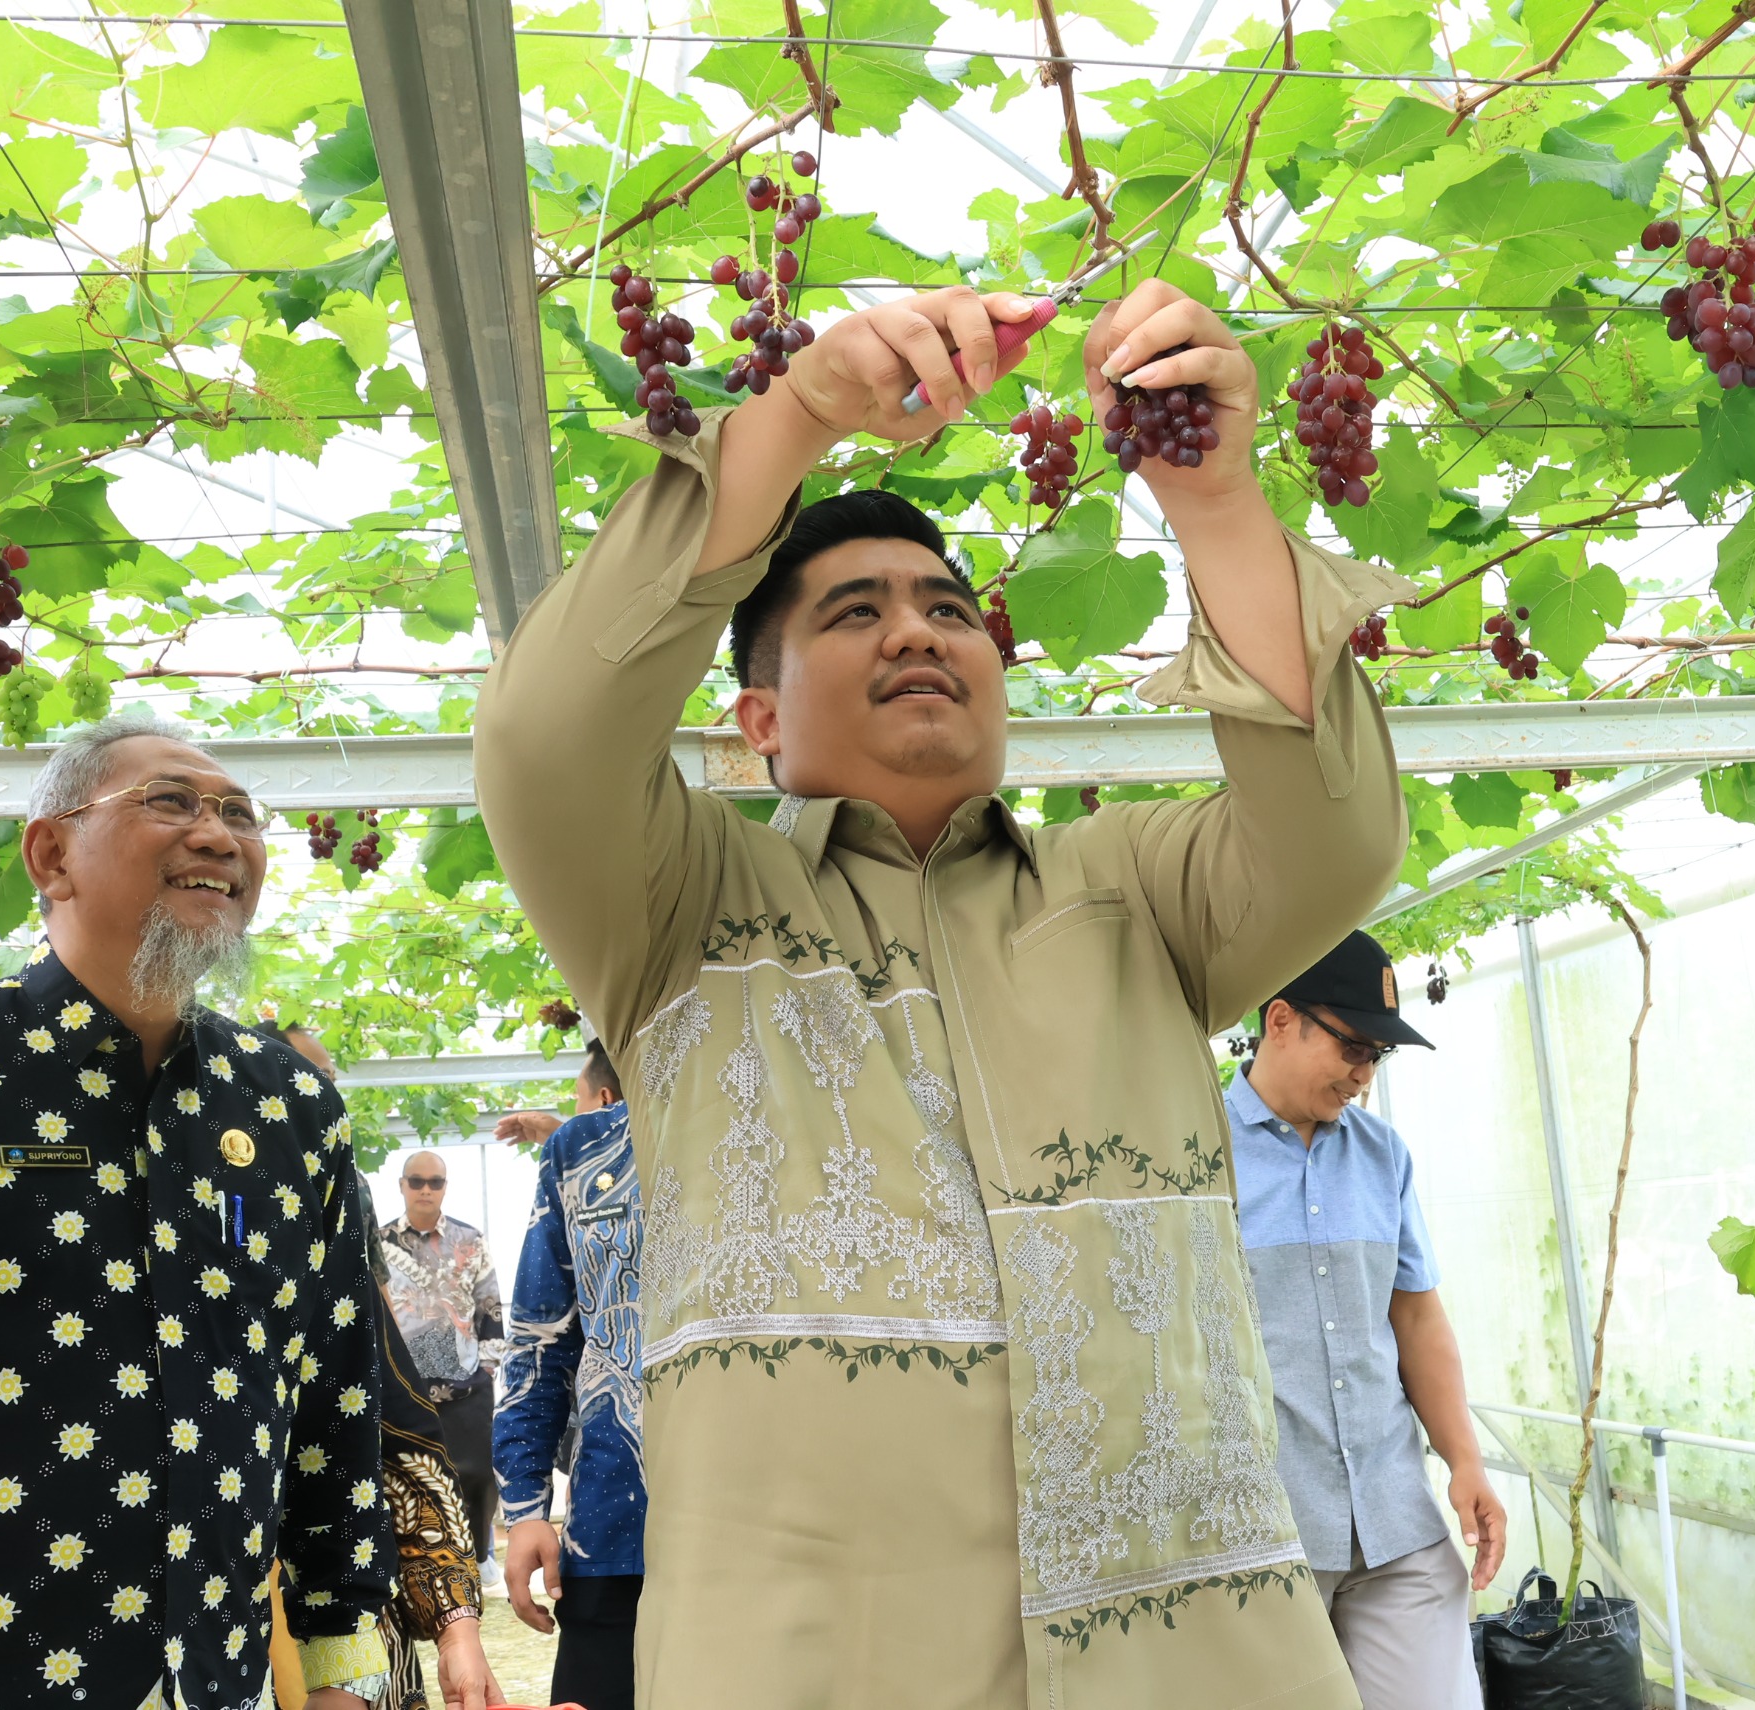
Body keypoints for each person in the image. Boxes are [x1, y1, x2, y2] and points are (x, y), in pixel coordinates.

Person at [475, 278, 1412, 1709]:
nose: (919, 629)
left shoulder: (1132, 895)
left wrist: (1214, 500)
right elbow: (546, 738)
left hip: (1200, 1666)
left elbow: (1336, 835)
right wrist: (798, 419)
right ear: (761, 722)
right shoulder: (675, 910)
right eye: (855, 610)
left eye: (949, 607)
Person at [0, 708, 390, 1710]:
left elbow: (335, 1394)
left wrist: (341, 1665)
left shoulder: (288, 1105)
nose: (219, 836)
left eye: (241, 817)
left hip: (216, 1678)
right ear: (51, 854)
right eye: (171, 802)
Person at [1228, 931, 1507, 1710]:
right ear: (1280, 1020)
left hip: (1397, 1521)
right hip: (1267, 1536)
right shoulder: (1196, 1156)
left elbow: (1416, 1320)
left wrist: (1465, 1462)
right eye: (1353, 1045)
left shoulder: (1385, 1156)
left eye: (1379, 1053)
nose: (1365, 1073)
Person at [279, 1025, 499, 1710]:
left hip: (444, 1405)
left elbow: (385, 1408)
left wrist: (455, 1625)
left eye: (331, 1082)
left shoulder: (439, 1235)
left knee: (469, 1482)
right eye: (309, 1079)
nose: (326, 1098)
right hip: (238, 1635)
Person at [494, 1040, 644, 1710]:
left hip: (775, 1534)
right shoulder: (583, 1149)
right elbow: (536, 1345)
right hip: (616, 1527)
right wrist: (525, 1508)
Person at [379, 1150, 505, 1577]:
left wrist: (487, 1367)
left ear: (445, 1187)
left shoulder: (470, 1240)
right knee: (408, 1477)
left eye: (435, 1182)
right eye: (417, 1181)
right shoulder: (379, 1245)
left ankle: (475, 1556)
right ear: (402, 1185)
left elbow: (489, 1306)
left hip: (466, 1382)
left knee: (476, 1474)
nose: (426, 1189)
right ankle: (412, 1564)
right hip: (404, 1384)